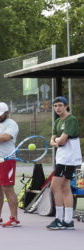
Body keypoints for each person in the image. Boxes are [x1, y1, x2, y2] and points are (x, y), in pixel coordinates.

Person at [47, 96, 80, 230]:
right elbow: (53, 140)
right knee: (65, 187)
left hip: (68, 159)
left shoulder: (71, 120)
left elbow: (62, 141)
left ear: (66, 106)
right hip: (62, 158)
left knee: (54, 187)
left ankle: (59, 219)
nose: (57, 108)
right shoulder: (57, 122)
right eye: (55, 106)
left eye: (60, 105)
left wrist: (57, 142)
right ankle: (68, 221)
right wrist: (57, 142)